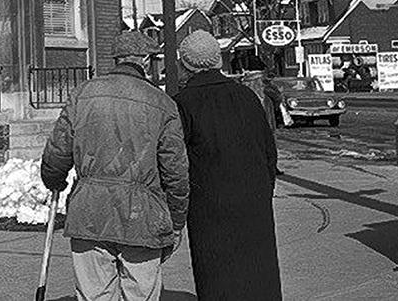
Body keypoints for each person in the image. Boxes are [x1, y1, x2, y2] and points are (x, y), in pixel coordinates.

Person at [40, 30, 189, 301]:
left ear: (118, 59)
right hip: (143, 216)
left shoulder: (83, 94)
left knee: (94, 294)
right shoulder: (162, 103)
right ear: (144, 60)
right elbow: (175, 170)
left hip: (90, 211)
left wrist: (53, 179)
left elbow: (58, 150)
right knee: (141, 294)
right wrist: (177, 220)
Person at [174, 30, 282, 301]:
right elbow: (269, 150)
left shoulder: (183, 103)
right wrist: (264, 190)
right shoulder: (246, 96)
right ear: (217, 61)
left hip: (209, 205)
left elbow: (176, 161)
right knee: (259, 273)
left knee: (217, 276)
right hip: (253, 200)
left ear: (185, 64)